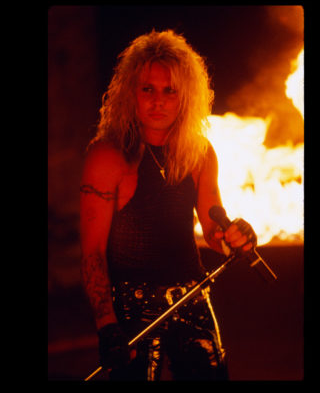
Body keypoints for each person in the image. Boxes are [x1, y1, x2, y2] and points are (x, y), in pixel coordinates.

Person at [80, 29, 257, 381]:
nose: (158, 101)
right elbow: (93, 252)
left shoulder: (199, 153)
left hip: (192, 297)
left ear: (184, 96)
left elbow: (213, 229)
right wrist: (107, 326)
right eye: (148, 89)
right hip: (132, 309)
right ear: (131, 92)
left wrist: (234, 237)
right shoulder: (107, 156)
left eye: (170, 91)